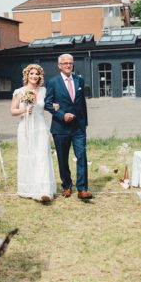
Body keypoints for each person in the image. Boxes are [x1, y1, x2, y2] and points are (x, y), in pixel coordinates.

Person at [44, 53, 92, 200]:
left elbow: (81, 102)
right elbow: (48, 103)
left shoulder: (79, 80)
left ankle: (82, 189)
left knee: (81, 156)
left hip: (78, 127)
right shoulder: (53, 82)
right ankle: (66, 186)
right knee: (63, 159)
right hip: (60, 128)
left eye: (70, 63)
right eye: (65, 63)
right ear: (59, 65)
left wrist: (84, 124)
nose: (68, 65)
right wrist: (62, 115)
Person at [10, 64, 56, 202]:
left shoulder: (44, 91)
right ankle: (29, 188)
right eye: (31, 74)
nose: (34, 76)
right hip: (25, 127)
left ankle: (44, 190)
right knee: (28, 155)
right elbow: (12, 110)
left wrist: (54, 106)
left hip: (40, 127)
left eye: (37, 74)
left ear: (40, 76)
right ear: (27, 76)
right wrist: (24, 110)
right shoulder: (19, 91)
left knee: (42, 155)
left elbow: (48, 105)